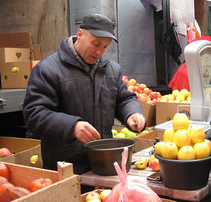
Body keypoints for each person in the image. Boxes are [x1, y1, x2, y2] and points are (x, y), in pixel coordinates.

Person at [23, 14, 146, 175]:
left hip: (104, 162)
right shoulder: (48, 70)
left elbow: (123, 99)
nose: (99, 52)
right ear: (80, 35)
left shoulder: (112, 69)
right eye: (95, 44)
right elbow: (34, 114)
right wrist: (71, 127)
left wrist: (132, 112)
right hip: (67, 166)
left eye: (105, 47)